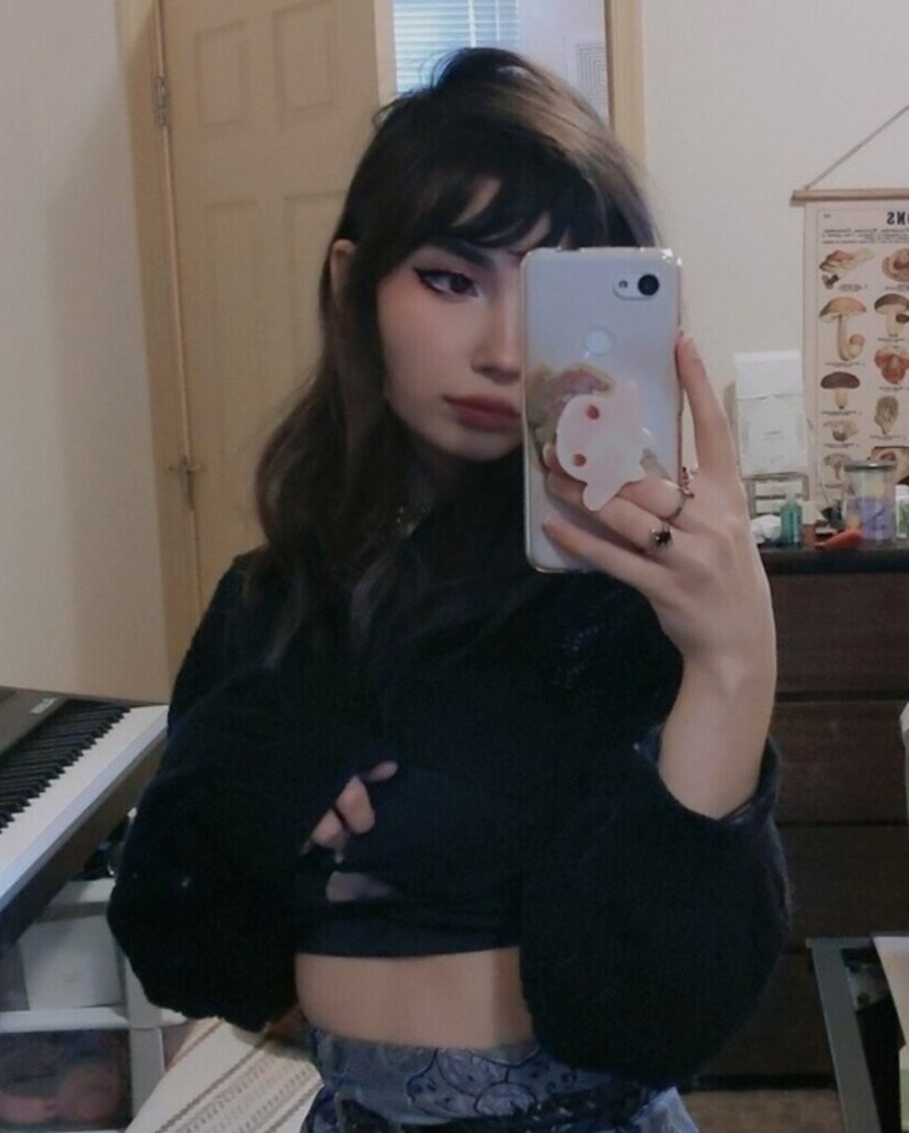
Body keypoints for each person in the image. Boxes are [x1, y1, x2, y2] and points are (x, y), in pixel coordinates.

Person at [108, 48, 789, 1133]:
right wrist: (243, 790)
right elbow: (184, 949)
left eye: (549, 294)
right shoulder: (272, 602)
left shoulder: (623, 606)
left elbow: (658, 1015)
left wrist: (733, 664)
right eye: (452, 278)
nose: (506, 351)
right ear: (353, 286)